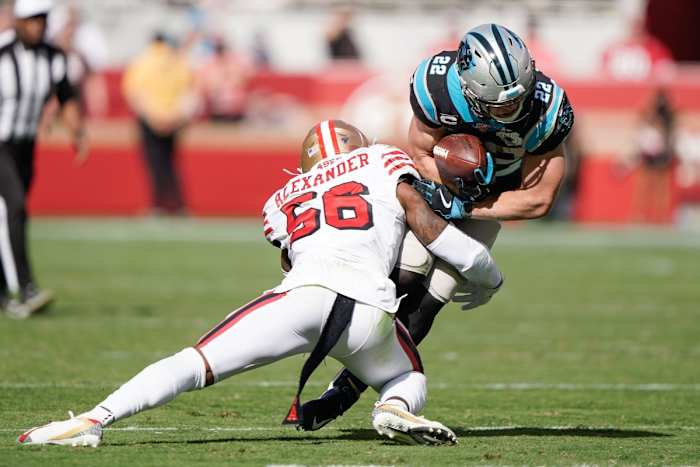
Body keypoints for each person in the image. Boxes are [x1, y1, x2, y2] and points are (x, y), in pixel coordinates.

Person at [18, 119, 503, 447]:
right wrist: (485, 274)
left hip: (306, 294)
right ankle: (392, 406)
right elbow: (422, 217)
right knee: (408, 375)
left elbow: (290, 262)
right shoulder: (381, 159)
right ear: (360, 143)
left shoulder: (282, 197)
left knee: (195, 362)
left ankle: (92, 420)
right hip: (371, 308)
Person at [300, 23, 574, 430]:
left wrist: (466, 204)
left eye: (517, 97)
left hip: (493, 196)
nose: (512, 111)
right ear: (467, 88)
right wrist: (444, 188)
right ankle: (338, 343)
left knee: (433, 297)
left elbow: (539, 199)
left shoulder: (547, 107)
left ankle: (346, 389)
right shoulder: (437, 85)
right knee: (403, 277)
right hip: (438, 189)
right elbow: (421, 150)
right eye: (498, 105)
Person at [0, 0, 87, 319]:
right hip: (0, 144)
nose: (37, 26)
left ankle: (4, 293)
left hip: (26, 145)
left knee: (12, 214)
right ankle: (25, 288)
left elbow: (65, 95)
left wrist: (76, 132)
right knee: (15, 207)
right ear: (19, 21)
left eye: (42, 19)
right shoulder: (3, 54)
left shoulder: (53, 57)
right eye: (31, 20)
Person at [122, 32, 197, 215]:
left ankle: (159, 205)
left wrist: (153, 117)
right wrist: (175, 117)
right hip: (173, 120)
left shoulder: (142, 62)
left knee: (155, 164)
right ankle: (177, 205)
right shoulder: (179, 62)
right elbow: (189, 94)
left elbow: (135, 93)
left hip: (151, 121)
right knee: (171, 164)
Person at [196, 36, 253, 122]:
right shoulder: (209, 66)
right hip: (216, 109)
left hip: (236, 110)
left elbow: (244, 79)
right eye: (219, 50)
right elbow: (205, 86)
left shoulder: (235, 64)